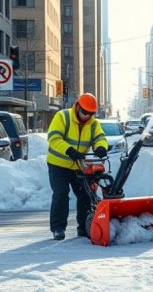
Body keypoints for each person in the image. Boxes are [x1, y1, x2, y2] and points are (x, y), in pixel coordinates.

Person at [46, 92, 108, 240]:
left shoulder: (93, 124)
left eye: (90, 114)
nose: (87, 116)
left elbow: (100, 137)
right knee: (61, 194)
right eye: (84, 112)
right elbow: (53, 138)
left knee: (85, 195)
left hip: (79, 165)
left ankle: (84, 227)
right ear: (78, 106)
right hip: (58, 164)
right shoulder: (62, 117)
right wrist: (69, 150)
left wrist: (101, 147)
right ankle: (58, 228)